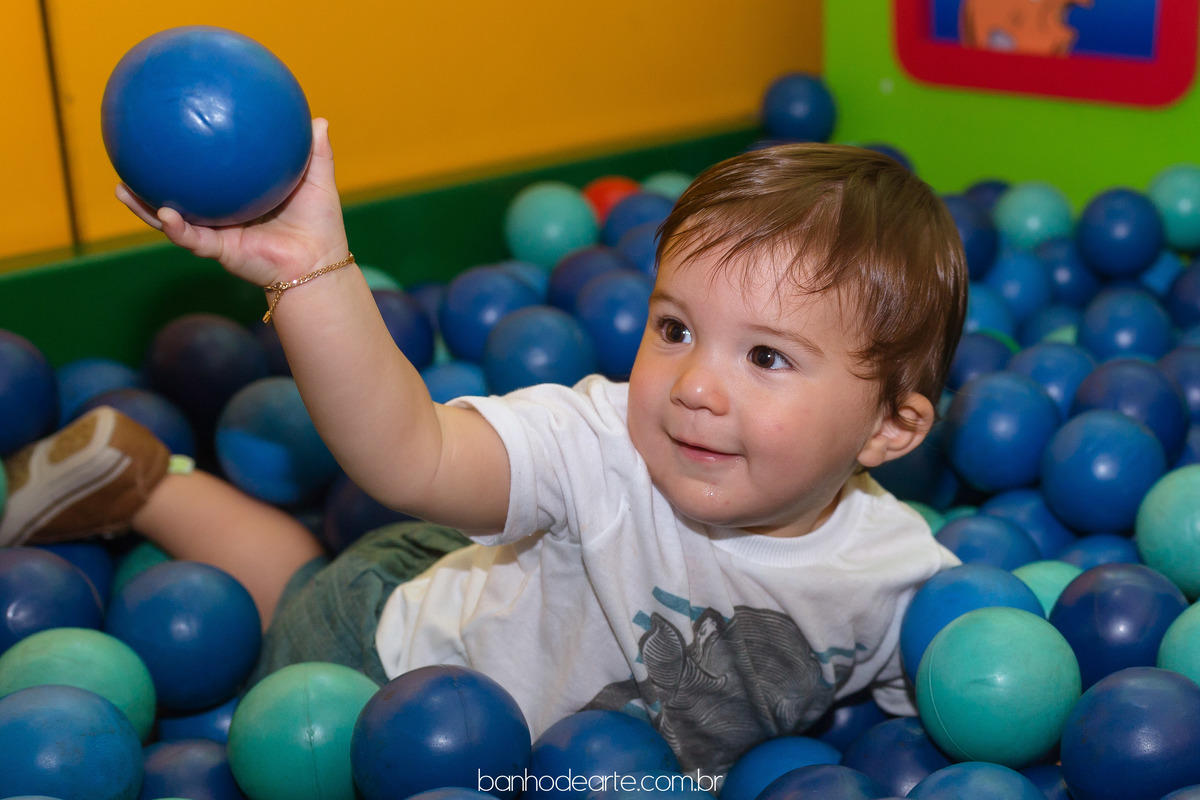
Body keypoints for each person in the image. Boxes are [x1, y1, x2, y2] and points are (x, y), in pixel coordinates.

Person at [0, 120, 967, 776]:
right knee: (298, 596)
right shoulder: (598, 442)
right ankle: (149, 482)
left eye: (766, 356)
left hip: (549, 739)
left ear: (890, 428)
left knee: (301, 562)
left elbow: (969, 710)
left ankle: (137, 467)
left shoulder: (896, 580)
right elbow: (406, 456)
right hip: (387, 664)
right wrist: (311, 276)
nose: (695, 385)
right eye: (674, 329)